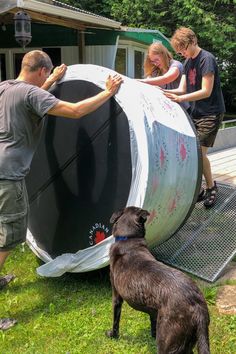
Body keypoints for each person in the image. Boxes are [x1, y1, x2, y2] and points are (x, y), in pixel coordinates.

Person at [0, 50, 123, 330]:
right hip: (8, 175)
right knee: (8, 238)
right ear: (42, 70)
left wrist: (52, 81)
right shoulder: (31, 94)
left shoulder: (6, 88)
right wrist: (107, 92)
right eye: (49, 73)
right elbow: (76, 110)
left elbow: (31, 98)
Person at [164, 27, 225, 208]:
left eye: (183, 49)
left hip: (211, 112)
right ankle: (199, 190)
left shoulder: (207, 59)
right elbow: (182, 89)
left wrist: (181, 99)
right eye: (179, 51)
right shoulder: (188, 62)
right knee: (192, 152)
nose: (181, 53)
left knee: (199, 153)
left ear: (192, 42)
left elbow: (206, 91)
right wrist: (163, 92)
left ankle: (211, 187)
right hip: (195, 112)